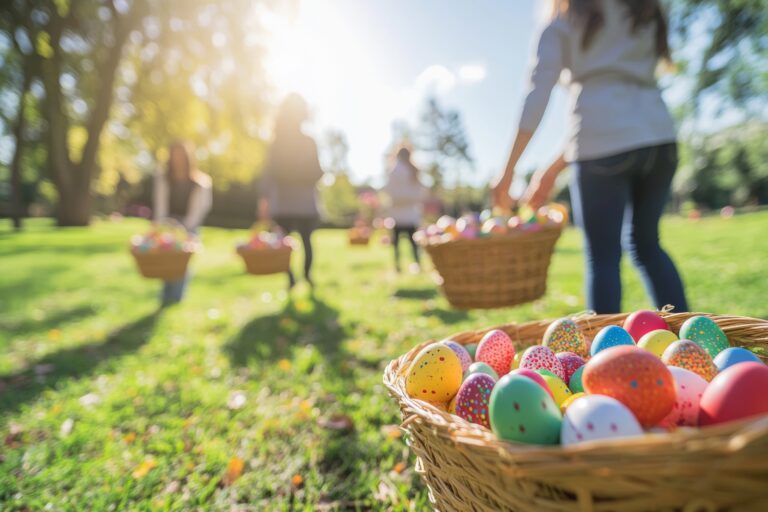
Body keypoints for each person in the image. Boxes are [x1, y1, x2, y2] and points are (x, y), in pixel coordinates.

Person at [491, 0, 688, 314]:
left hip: (601, 144)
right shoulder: (641, 8)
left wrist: (508, 170)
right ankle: (691, 341)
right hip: (659, 136)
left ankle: (607, 357)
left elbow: (538, 93)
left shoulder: (565, 15)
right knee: (647, 244)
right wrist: (552, 168)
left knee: (603, 257)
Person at [259, 94, 324, 289]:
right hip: (288, 201)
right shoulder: (279, 143)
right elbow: (269, 173)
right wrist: (264, 198)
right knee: (288, 243)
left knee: (296, 241)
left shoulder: (304, 142)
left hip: (298, 200)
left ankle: (301, 276)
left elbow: (316, 171)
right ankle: (295, 278)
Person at [153, 141, 212, 306]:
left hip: (188, 226)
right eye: (174, 156)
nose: (177, 160)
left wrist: (184, 229)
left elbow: (199, 210)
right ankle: (166, 296)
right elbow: (161, 206)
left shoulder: (200, 182)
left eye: (181, 156)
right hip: (167, 225)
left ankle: (177, 298)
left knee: (181, 263)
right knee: (165, 262)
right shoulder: (164, 178)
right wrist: (162, 227)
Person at [383, 147, 427, 273]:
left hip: (400, 213)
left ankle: (399, 266)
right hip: (408, 213)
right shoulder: (410, 170)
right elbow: (419, 193)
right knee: (412, 243)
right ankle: (415, 264)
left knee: (400, 243)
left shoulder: (398, 170)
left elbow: (390, 191)